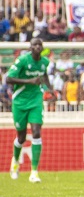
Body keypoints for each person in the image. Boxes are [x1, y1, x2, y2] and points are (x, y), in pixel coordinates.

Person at [7, 37, 51, 182]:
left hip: (36, 100)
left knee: (37, 132)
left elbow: (44, 76)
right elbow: (8, 79)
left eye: (40, 44)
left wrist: (50, 90)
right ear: (30, 47)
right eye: (34, 45)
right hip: (20, 101)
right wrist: (29, 81)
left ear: (42, 47)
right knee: (21, 137)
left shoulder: (44, 62)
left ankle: (34, 172)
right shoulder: (23, 60)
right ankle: (15, 161)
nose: (37, 47)